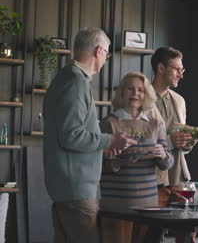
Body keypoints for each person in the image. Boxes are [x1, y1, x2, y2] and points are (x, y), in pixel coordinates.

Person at [43, 27, 137, 243]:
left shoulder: (65, 79)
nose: (106, 59)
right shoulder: (75, 83)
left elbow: (68, 134)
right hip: (77, 191)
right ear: (98, 51)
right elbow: (71, 136)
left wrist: (102, 146)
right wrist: (110, 139)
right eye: (106, 53)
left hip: (68, 189)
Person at [99, 72, 174, 243]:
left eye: (140, 90)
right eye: (130, 89)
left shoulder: (155, 123)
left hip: (148, 205)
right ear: (122, 93)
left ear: (146, 95)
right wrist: (116, 162)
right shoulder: (108, 123)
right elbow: (97, 163)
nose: (135, 94)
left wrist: (162, 154)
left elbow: (168, 162)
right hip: (115, 204)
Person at [148, 47, 198, 200]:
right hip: (152, 180)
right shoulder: (141, 98)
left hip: (179, 181)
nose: (181, 75)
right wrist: (170, 141)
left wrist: (187, 142)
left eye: (182, 70)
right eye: (177, 69)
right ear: (160, 68)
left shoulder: (180, 100)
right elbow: (137, 139)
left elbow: (180, 146)